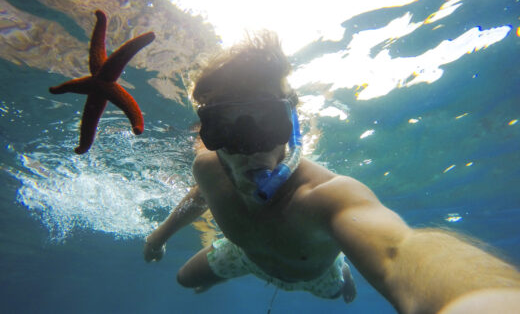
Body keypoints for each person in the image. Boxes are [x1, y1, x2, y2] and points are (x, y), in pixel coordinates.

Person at [144, 32, 520, 313]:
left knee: (340, 287)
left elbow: (397, 252)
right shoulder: (207, 167)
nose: (247, 147)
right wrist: (159, 237)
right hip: (244, 255)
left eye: (265, 123)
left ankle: (342, 270)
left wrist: (478, 300)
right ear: (206, 131)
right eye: (223, 125)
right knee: (183, 279)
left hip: (316, 276)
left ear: (292, 126)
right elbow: (198, 197)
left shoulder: (329, 197)